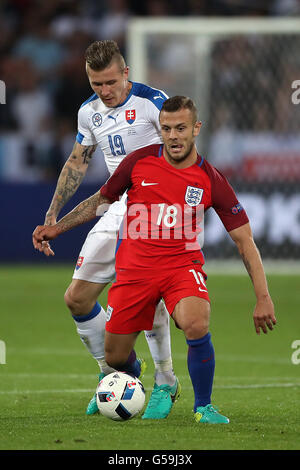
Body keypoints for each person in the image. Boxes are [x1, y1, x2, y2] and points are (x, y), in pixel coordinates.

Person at [33, 96, 277, 423]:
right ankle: (126, 378)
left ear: (196, 129)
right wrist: (58, 227)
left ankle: (202, 407)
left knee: (196, 321)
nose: (173, 136)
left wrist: (263, 297)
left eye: (180, 128)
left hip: (181, 267)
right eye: (166, 129)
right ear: (159, 129)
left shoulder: (211, 178)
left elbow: (245, 241)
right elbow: (101, 200)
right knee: (116, 357)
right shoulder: (139, 161)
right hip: (135, 270)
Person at [37, 40, 180, 419]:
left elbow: (182, 150)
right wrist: (53, 214)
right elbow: (77, 162)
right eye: (96, 84)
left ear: (126, 73)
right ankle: (114, 374)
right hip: (114, 206)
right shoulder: (89, 112)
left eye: (111, 82)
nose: (105, 91)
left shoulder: (153, 102)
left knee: (149, 298)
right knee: (77, 298)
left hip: (153, 210)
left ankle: (166, 380)